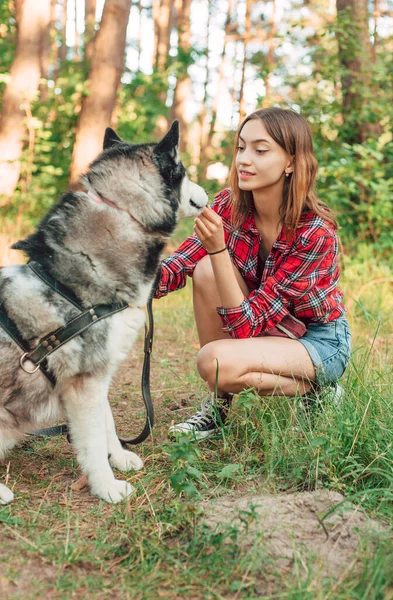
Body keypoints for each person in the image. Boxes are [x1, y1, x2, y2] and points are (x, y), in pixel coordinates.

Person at [154, 107, 351, 440]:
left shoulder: (314, 233)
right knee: (204, 270)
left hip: (315, 340)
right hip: (264, 326)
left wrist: (218, 249)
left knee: (214, 363)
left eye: (260, 150)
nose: (244, 159)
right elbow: (178, 265)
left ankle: (318, 388)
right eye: (241, 148)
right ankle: (220, 408)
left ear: (291, 161)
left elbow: (245, 327)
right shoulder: (229, 206)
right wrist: (123, 274)